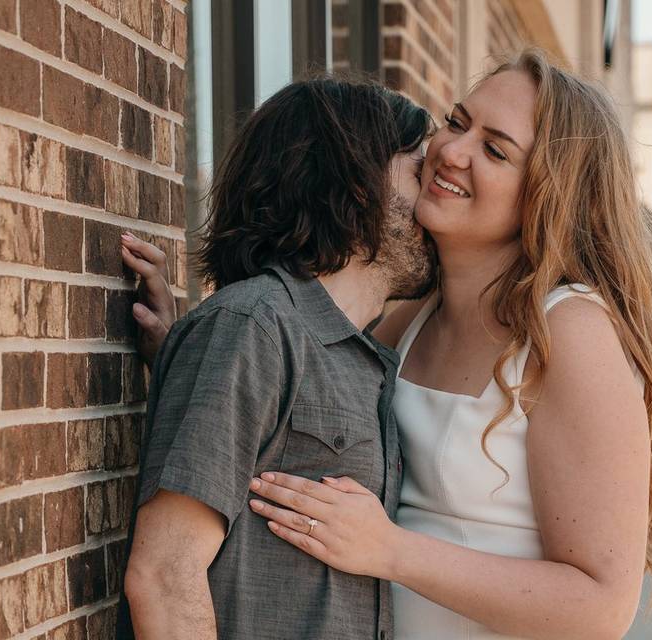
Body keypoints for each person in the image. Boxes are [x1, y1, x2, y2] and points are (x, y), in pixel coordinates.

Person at [126, 50, 652, 639]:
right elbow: (293, 397)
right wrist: (191, 351)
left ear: (548, 196)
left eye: (496, 150)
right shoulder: (410, 318)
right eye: (456, 122)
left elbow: (601, 606)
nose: (450, 152)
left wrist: (391, 550)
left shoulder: (569, 331)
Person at [122, 76, 438, 640]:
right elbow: (166, 575)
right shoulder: (253, 328)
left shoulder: (350, 353)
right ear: (358, 181)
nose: (433, 202)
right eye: (418, 172)